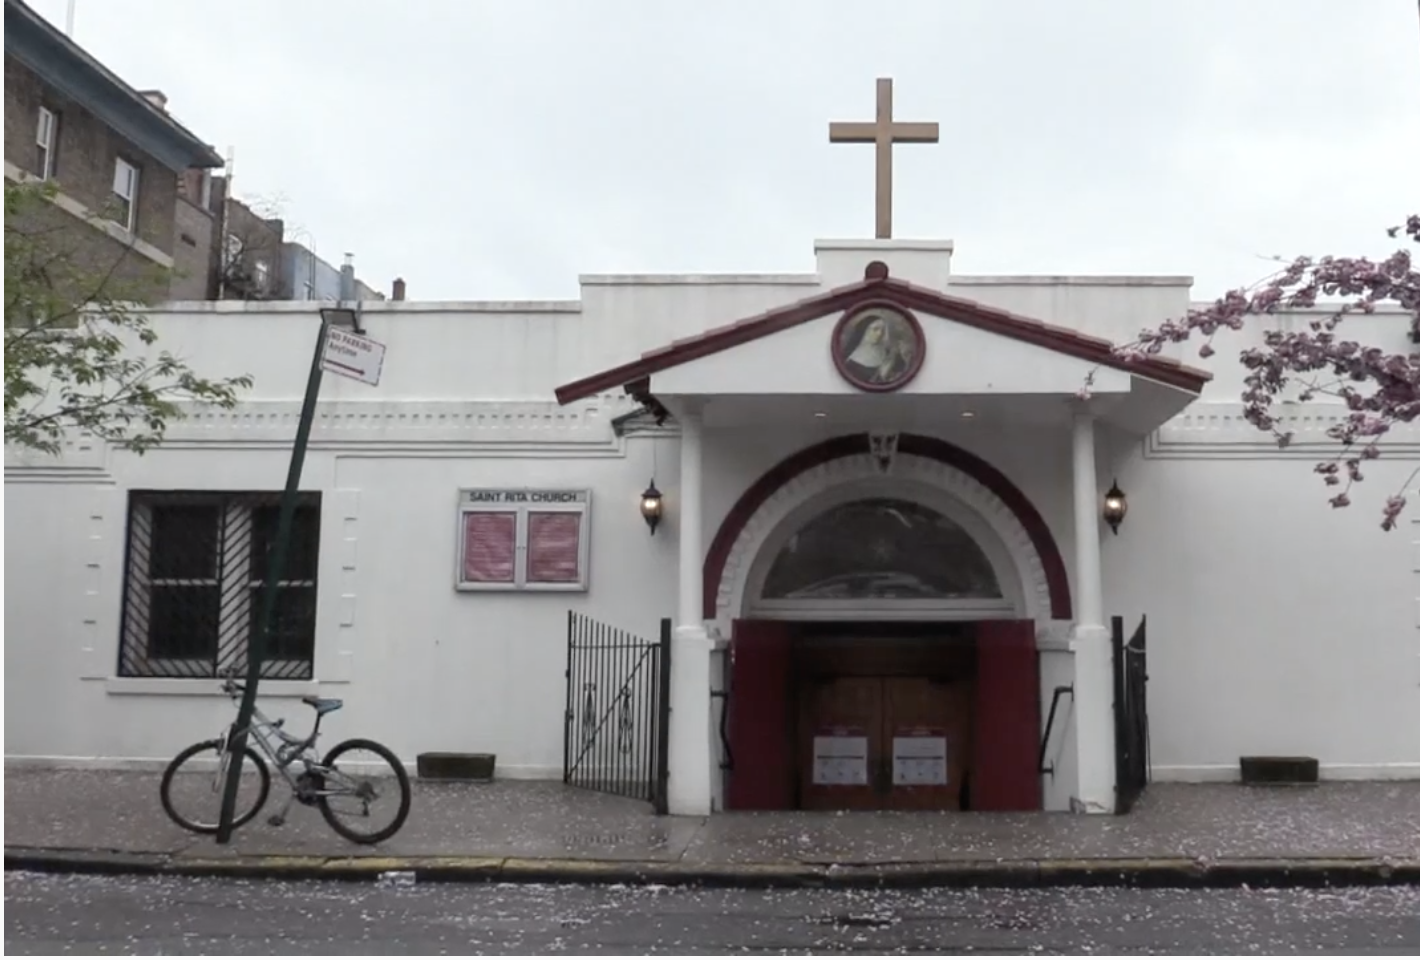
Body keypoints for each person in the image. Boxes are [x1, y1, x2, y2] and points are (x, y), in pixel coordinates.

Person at [841, 313, 911, 384]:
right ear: (864, 331)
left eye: (882, 330)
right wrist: (882, 375)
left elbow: (903, 374)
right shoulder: (849, 363)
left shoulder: (890, 353)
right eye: (875, 329)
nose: (880, 333)